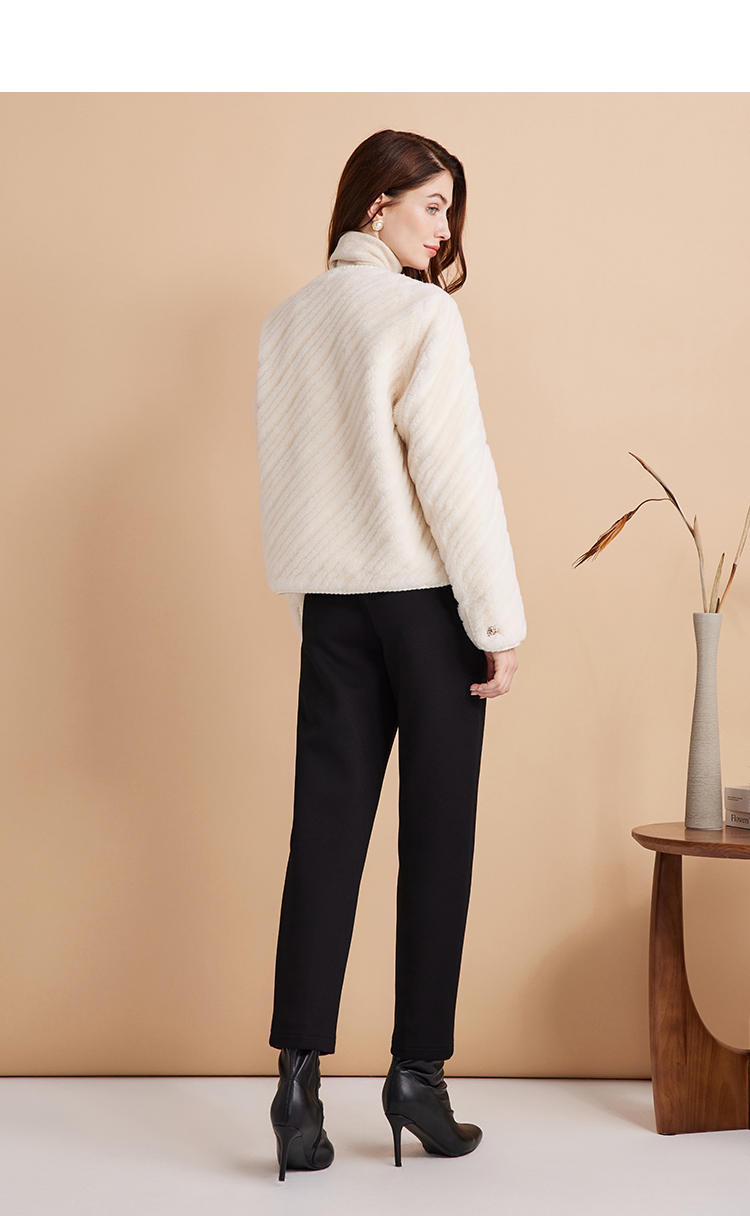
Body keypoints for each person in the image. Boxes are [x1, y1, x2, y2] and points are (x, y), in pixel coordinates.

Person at [253, 129, 525, 1181]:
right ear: (378, 205)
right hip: (425, 608)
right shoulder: (420, 316)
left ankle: (297, 1086)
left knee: (322, 837)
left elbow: (290, 483)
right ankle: (418, 1078)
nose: (445, 229)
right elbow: (456, 477)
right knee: (437, 840)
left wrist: (313, 610)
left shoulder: (287, 322)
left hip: (333, 608)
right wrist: (496, 622)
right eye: (432, 205)